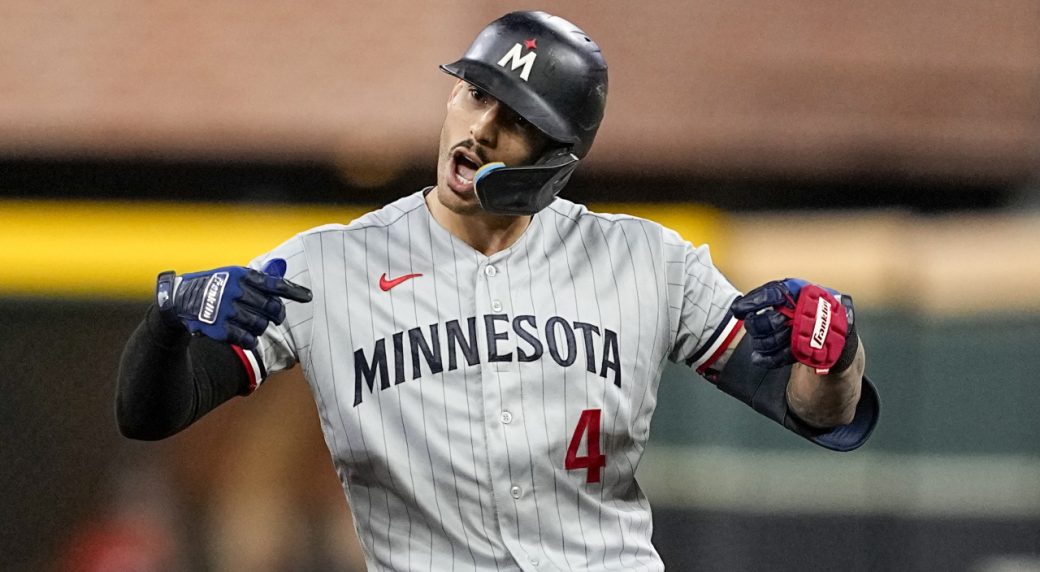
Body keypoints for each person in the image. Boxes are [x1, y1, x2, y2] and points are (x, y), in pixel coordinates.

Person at [116, 10, 879, 571]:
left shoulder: (649, 260)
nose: (479, 128)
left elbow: (814, 414)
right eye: (474, 95)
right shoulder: (329, 266)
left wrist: (836, 360)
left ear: (558, 156)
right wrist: (167, 323)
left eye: (513, 120)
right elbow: (151, 413)